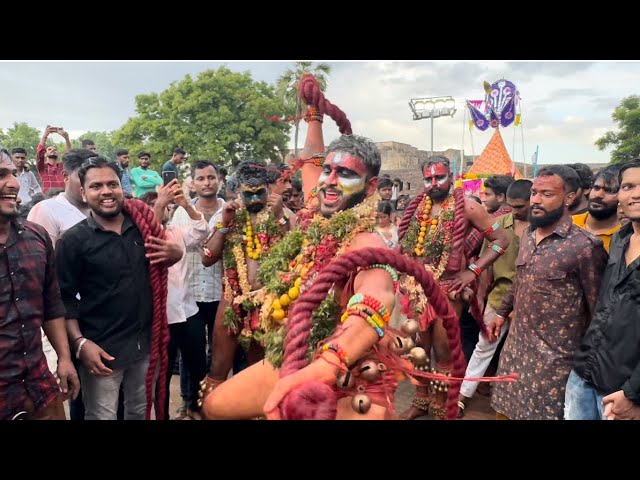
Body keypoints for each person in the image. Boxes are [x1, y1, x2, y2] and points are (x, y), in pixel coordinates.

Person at [56, 156, 182, 420]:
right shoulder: (73, 240)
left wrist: (176, 252)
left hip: (145, 346)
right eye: (96, 186)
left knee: (139, 412)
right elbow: (63, 300)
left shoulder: (143, 228)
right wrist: (80, 345)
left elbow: (165, 259)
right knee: (102, 416)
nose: (105, 192)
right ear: (83, 192)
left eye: (112, 184)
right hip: (101, 352)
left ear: (121, 188)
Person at [396, 156, 510, 420]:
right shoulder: (416, 207)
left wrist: (473, 271)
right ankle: (420, 401)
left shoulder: (468, 207)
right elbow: (404, 245)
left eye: (440, 177)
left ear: (452, 176)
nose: (434, 183)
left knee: (443, 351)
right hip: (416, 287)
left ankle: (440, 405)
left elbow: (500, 240)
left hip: (448, 288)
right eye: (428, 179)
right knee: (419, 350)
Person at [490, 165, 607, 420]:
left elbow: (599, 310)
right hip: (515, 353)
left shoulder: (585, 247)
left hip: (554, 366)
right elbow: (521, 280)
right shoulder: (530, 235)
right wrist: (501, 313)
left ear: (569, 197)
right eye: (534, 193)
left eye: (547, 194)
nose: (536, 200)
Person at [0, 148, 79, 420]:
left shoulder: (37, 237)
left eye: (12, 174)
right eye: (1, 175)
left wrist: (65, 359)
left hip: (40, 386)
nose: (13, 183)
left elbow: (52, 304)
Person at [565, 159, 640, 420]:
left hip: (625, 391)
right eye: (628, 186)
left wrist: (633, 393)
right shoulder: (620, 240)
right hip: (585, 374)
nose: (636, 193)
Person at [457, 179, 532, 417]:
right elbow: (486, 264)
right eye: (512, 206)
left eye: (520, 207)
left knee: (523, 352)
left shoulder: (542, 229)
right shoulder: (499, 224)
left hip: (531, 301)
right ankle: (463, 395)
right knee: (484, 345)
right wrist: (480, 297)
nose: (515, 211)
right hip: (500, 297)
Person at [572, 164, 621, 252]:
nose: (598, 195)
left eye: (609, 190)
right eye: (596, 188)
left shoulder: (624, 236)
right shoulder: (567, 224)